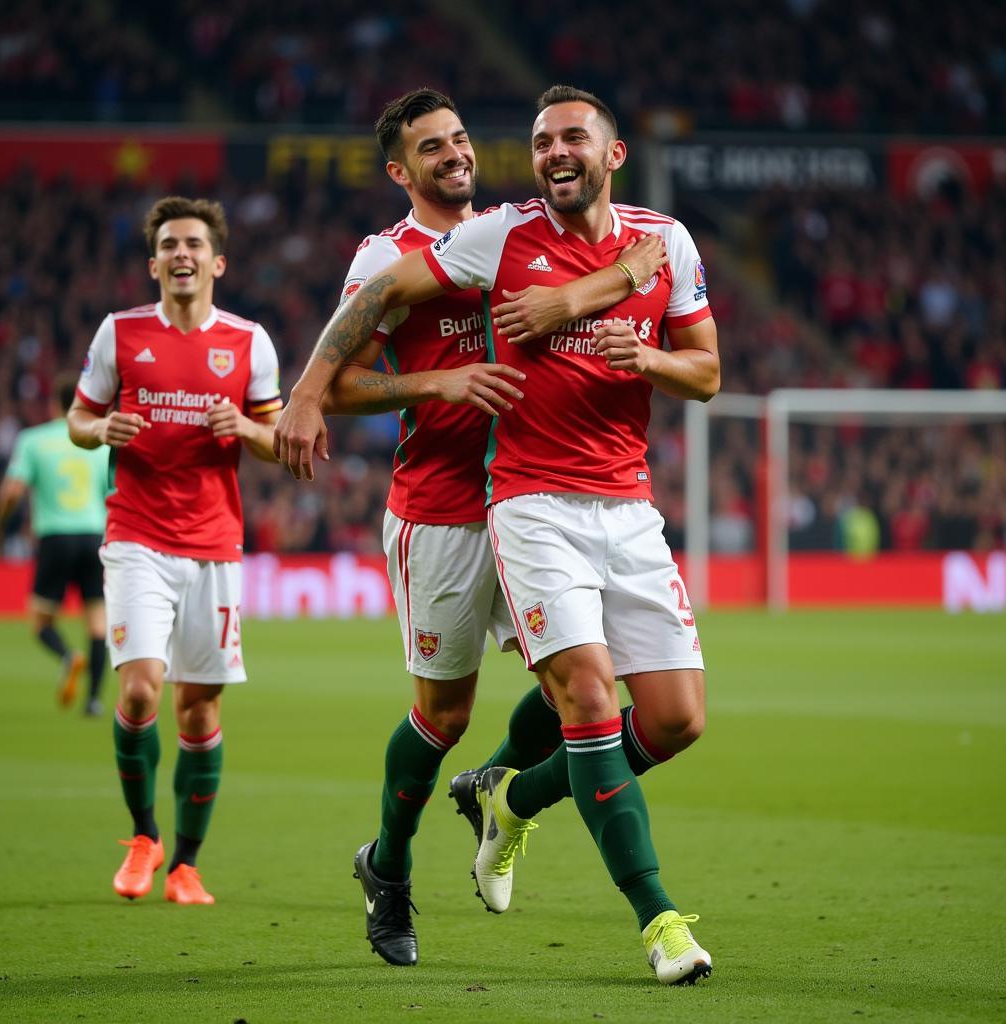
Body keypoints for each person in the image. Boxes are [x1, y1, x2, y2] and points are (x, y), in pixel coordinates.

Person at [274, 85, 719, 985]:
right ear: (402, 170)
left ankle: (504, 796)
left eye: (462, 138)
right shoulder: (404, 254)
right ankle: (389, 864)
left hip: (541, 492)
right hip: (446, 503)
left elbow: (642, 307)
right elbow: (354, 370)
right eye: (433, 148)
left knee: (584, 695)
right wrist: (351, 391)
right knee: (448, 713)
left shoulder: (521, 230)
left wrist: (623, 279)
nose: (455, 155)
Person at [67, 196, 282, 906]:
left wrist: (242, 429)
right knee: (137, 688)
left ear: (217, 262)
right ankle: (144, 836)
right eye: (169, 244)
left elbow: (279, 442)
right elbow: (78, 417)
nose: (181, 254)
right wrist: (104, 432)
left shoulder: (249, 341)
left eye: (193, 243)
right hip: (136, 538)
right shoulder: (121, 333)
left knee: (199, 710)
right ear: (153, 262)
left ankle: (186, 864)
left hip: (215, 546)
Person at [0, 374, 110, 715]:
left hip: (55, 537)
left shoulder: (33, 440)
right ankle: (94, 701)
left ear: (54, 402)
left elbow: (11, 491)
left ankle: (69, 656)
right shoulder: (100, 443)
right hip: (94, 535)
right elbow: (115, 493)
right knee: (98, 621)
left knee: (41, 622)